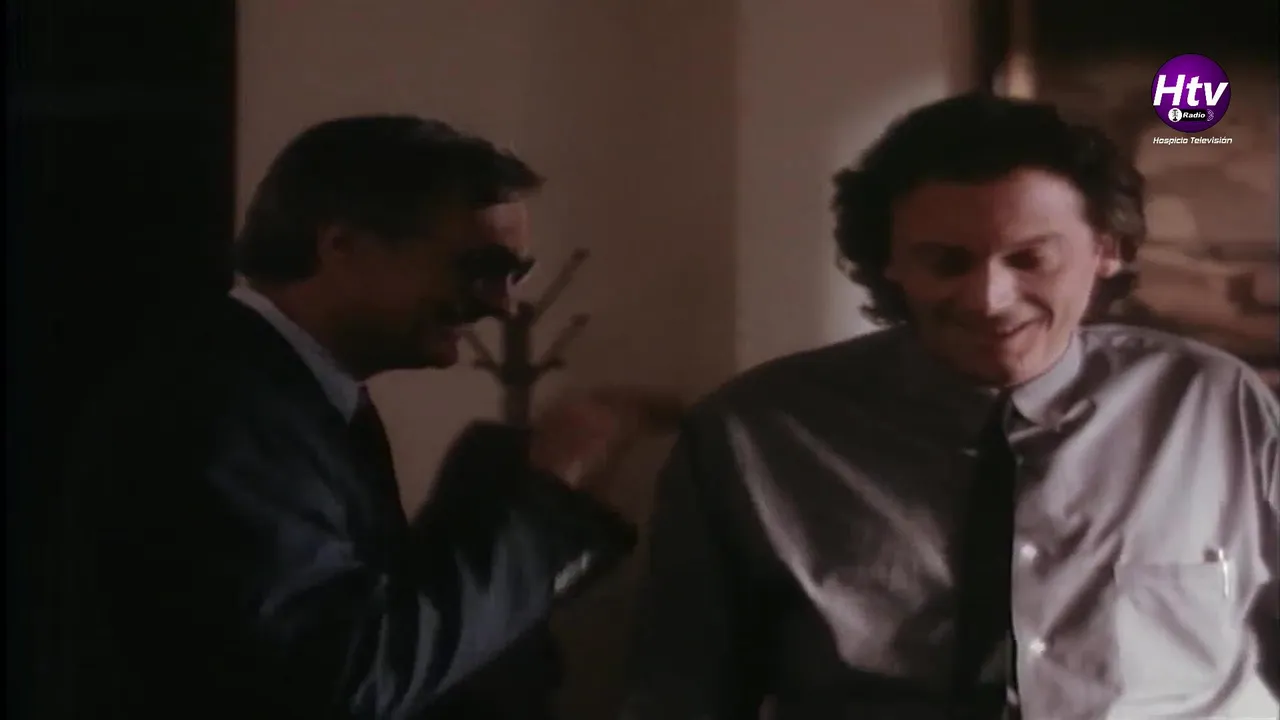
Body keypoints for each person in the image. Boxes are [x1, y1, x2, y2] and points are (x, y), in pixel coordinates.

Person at [621, 93, 1279, 719]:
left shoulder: (1215, 404)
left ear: (1106, 250)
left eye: (1030, 259)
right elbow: (682, 693)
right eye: (946, 262)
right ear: (889, 262)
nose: (988, 299)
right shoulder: (753, 435)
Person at [47, 116, 675, 719]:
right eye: (481, 268)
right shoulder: (213, 410)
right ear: (341, 245)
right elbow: (345, 683)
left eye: (517, 274)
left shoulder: (295, 396)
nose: (504, 306)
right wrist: (544, 500)